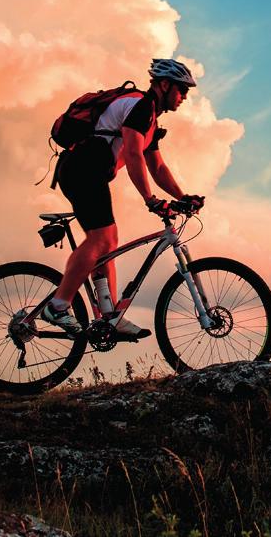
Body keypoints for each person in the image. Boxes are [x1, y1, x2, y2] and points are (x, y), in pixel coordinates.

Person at [41, 58, 205, 338]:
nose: (185, 96)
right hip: (82, 169)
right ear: (164, 85)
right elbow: (132, 154)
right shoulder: (141, 107)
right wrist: (150, 199)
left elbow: (158, 166)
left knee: (108, 242)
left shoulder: (150, 118)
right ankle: (57, 306)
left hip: (87, 173)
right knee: (101, 239)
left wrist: (182, 197)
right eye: (181, 89)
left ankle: (109, 316)